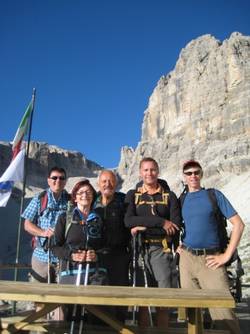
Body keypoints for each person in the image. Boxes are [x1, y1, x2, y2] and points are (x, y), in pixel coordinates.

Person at [178, 160, 245, 334]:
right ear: (184, 177)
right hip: (187, 260)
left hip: (211, 259)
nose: (193, 176)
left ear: (201, 174)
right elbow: (177, 225)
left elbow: (238, 225)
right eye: (189, 173)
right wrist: (177, 247)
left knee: (222, 312)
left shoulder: (213, 195)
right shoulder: (181, 199)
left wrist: (226, 256)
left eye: (196, 172)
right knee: (192, 312)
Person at [125, 157, 181, 328]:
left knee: (163, 301)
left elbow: (175, 226)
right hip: (139, 250)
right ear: (140, 172)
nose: (149, 173)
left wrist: (141, 225)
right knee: (143, 301)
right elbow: (128, 221)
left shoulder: (169, 196)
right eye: (146, 170)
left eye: (153, 170)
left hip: (161, 250)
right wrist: (161, 222)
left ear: (158, 171)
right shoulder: (132, 195)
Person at [52, 179, 107, 321]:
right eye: (81, 192)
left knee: (95, 316)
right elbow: (54, 247)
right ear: (75, 197)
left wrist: (97, 255)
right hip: (70, 274)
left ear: (93, 197)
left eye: (89, 192)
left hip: (95, 275)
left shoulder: (99, 219)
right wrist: (71, 255)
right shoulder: (65, 218)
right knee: (69, 315)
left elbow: (106, 246)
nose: (85, 195)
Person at [94, 170, 131, 322]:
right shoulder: (92, 201)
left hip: (119, 256)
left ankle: (119, 327)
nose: (107, 184)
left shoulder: (124, 201)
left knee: (120, 294)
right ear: (99, 184)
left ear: (116, 183)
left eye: (110, 181)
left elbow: (131, 221)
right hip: (97, 257)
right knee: (98, 294)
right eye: (104, 181)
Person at [22, 166, 69, 283]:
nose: (58, 181)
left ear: (65, 181)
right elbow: (27, 224)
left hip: (62, 258)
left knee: (61, 297)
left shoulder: (70, 200)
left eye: (62, 178)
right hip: (41, 257)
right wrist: (43, 233)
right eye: (54, 177)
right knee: (39, 296)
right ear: (48, 180)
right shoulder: (40, 198)